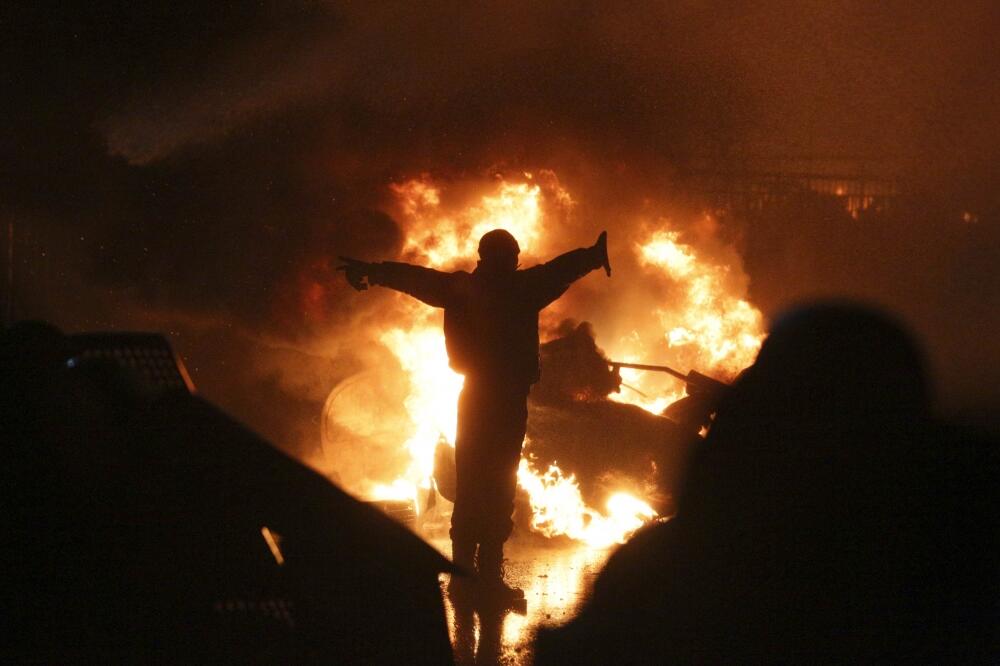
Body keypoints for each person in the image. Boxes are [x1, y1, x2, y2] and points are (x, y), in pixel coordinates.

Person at [340, 228, 611, 601]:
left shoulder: (461, 289)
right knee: (498, 485)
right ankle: (485, 581)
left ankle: (464, 581)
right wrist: (593, 256)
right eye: (512, 255)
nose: (515, 261)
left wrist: (374, 271)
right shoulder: (523, 289)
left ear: (482, 257)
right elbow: (558, 270)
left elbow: (416, 278)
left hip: (476, 398)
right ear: (510, 258)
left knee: (472, 484)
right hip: (505, 399)